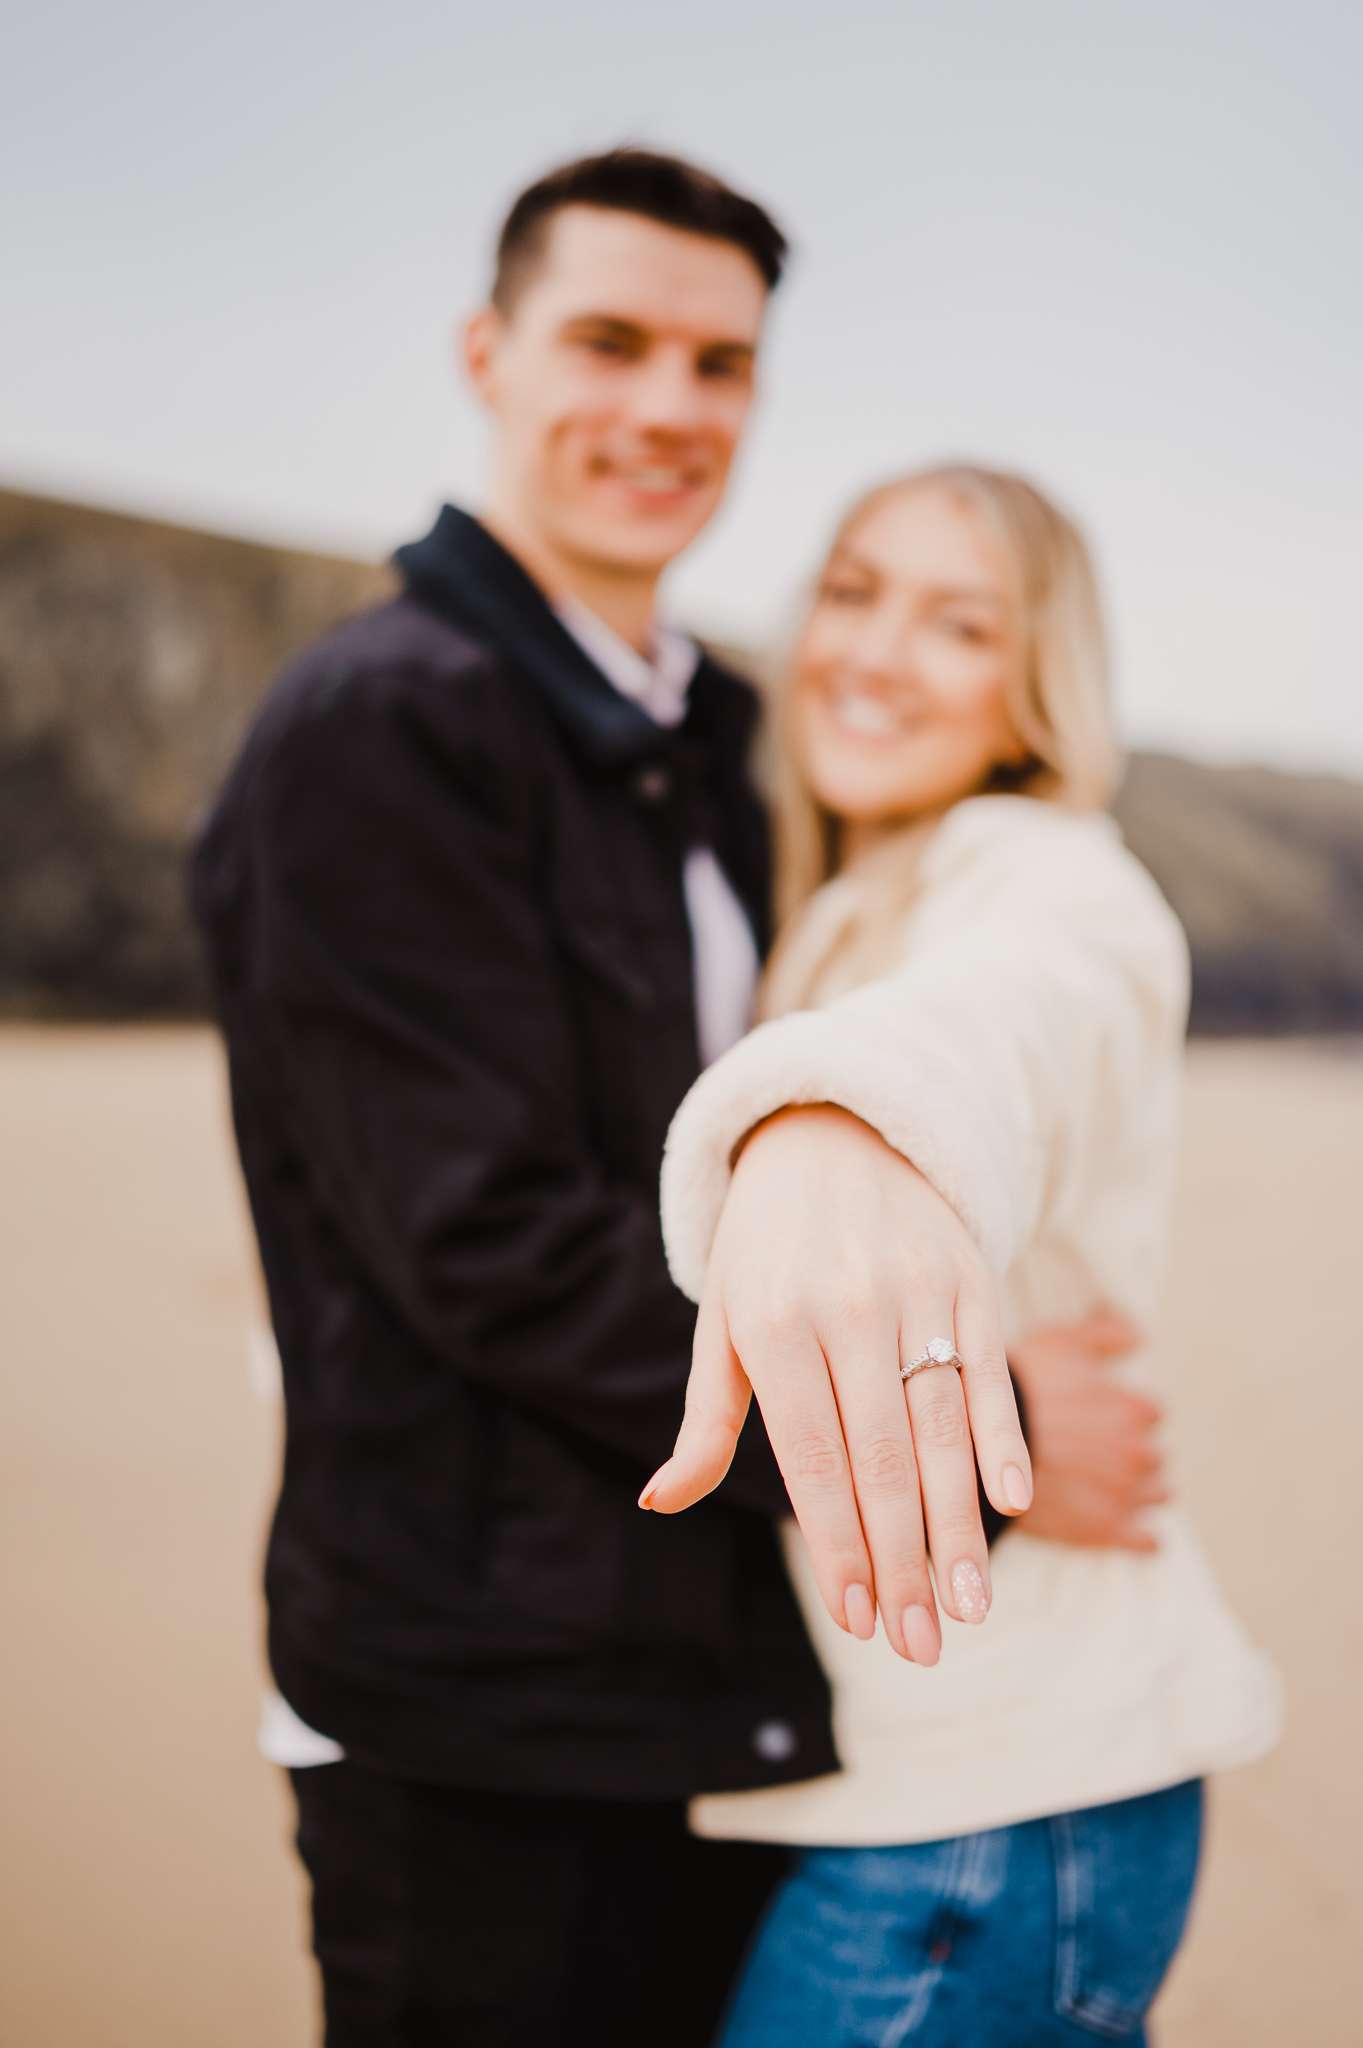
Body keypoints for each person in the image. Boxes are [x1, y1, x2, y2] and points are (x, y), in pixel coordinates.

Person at [192, 149, 1165, 2047]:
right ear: (489, 350)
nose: (665, 407)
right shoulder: (379, 724)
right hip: (482, 1705)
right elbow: (492, 1249)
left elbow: (974, 997)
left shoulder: (723, 740)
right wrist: (985, 1436)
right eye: (611, 342)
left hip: (703, 1688)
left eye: (718, 364)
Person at [646, 465, 1283, 2044]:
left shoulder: (1049, 878)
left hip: (1006, 1810)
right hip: (924, 1785)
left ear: (1032, 688)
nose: (876, 652)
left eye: (958, 623)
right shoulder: (849, 896)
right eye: (853, 592)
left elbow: (1019, 1011)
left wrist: (840, 1129)